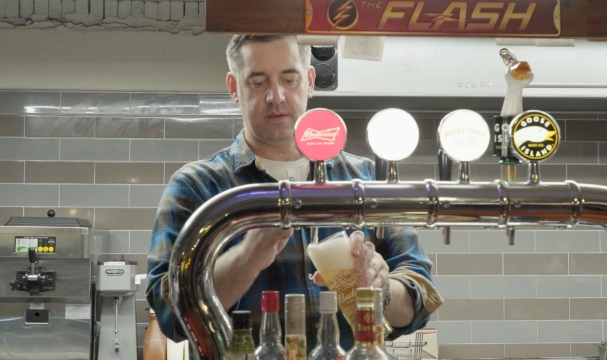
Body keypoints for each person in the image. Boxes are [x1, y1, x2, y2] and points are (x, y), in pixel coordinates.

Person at [146, 34, 443, 355]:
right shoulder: (195, 186)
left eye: (289, 79)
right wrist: (246, 259)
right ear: (234, 88)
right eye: (258, 83)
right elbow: (170, 314)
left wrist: (380, 290)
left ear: (310, 81)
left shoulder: (368, 178)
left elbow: (419, 300)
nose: (276, 96)